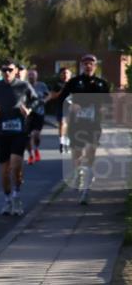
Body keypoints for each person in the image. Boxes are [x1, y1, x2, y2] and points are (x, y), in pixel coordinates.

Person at [0, 59, 37, 216]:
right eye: (4, 70)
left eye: (10, 70)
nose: (7, 73)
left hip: (19, 132)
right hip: (1, 133)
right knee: (5, 171)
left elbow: (37, 100)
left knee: (16, 165)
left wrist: (29, 109)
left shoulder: (23, 85)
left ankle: (16, 196)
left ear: (16, 70)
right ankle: (7, 199)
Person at [56, 53, 111, 204]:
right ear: (81, 65)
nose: (88, 66)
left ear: (95, 66)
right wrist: (70, 105)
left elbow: (108, 103)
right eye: (85, 63)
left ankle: (87, 184)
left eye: (91, 63)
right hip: (77, 124)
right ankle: (79, 173)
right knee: (77, 154)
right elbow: (62, 99)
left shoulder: (102, 84)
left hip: (93, 124)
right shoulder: (74, 82)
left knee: (91, 152)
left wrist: (104, 109)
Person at [25, 68, 50, 164]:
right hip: (27, 113)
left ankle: (36, 149)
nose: (31, 77)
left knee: (36, 135)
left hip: (39, 112)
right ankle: (31, 155)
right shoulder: (24, 85)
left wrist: (45, 100)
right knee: (28, 136)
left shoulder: (41, 85)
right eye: (30, 75)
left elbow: (49, 95)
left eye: (33, 75)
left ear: (36, 76)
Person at [48, 66, 74, 152]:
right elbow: (52, 96)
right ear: (61, 75)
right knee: (62, 124)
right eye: (63, 73)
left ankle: (67, 144)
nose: (65, 75)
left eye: (67, 73)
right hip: (61, 107)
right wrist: (62, 90)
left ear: (70, 74)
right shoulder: (57, 85)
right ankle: (62, 143)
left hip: (72, 108)